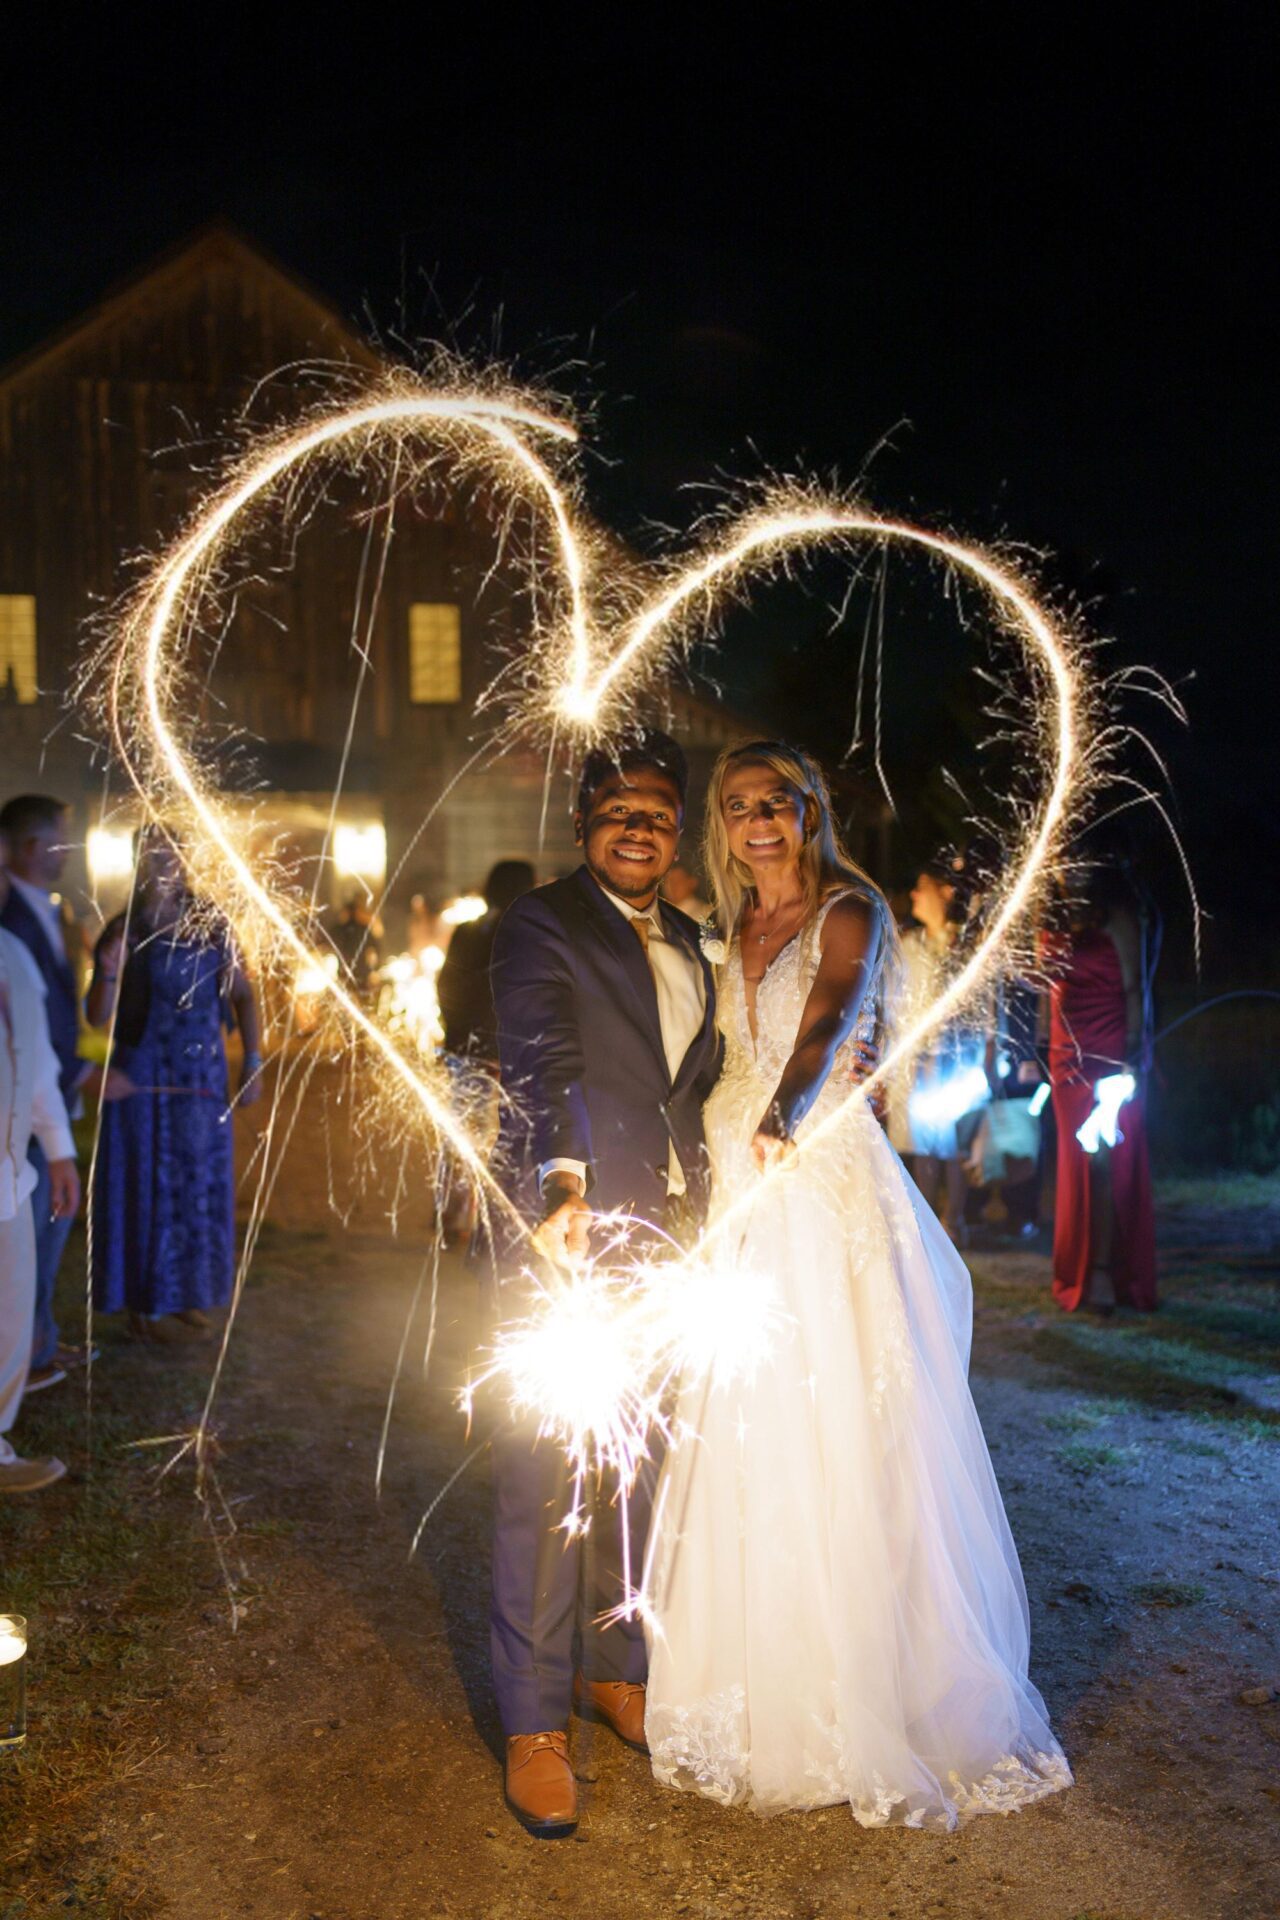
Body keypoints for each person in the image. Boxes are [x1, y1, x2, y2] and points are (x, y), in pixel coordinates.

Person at [644, 741, 1071, 1827]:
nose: (754, 824)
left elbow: (830, 1016)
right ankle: (760, 1677)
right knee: (750, 1417)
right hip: (734, 1178)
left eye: (772, 805)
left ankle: (882, 1691)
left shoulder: (849, 911)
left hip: (815, 1169)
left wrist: (785, 1111)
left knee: (842, 1411)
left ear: (807, 809)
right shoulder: (722, 929)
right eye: (735, 808)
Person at [486, 731, 722, 1836]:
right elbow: (543, 1060)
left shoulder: (692, 938)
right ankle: (532, 1718)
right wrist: (560, 1182)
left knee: (642, 1464)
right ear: (582, 821)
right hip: (572, 1234)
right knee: (549, 1475)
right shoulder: (540, 921)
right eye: (617, 809)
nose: (638, 827)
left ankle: (613, 1667)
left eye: (658, 813)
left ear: (678, 834)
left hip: (675, 1240)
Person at [85, 831, 263, 1341]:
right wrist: (108, 973)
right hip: (141, 1075)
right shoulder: (126, 928)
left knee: (196, 1181)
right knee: (143, 1182)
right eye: (153, 853)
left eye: (171, 852)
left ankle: (186, 1293)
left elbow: (244, 996)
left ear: (185, 860)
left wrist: (252, 1061)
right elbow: (98, 1018)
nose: (164, 862)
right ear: (138, 861)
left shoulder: (210, 924)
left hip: (199, 1075)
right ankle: (142, 1298)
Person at [0, 794, 102, 1386]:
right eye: (61, 840)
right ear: (34, 847)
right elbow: (29, 1031)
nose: (68, 851)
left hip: (49, 1098)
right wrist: (81, 1073)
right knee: (30, 1235)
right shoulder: (11, 920)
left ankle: (38, 1345)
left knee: (48, 1231)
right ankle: (25, 1357)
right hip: (27, 1110)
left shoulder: (46, 912)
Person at [1041, 869, 1157, 1313]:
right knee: (1075, 1162)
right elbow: (1044, 992)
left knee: (1108, 1158)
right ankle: (1077, 1272)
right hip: (1064, 1055)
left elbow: (1134, 986)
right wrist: (1038, 1045)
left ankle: (1108, 1271)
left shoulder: (1117, 918)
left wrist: (1133, 1050)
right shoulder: (1048, 919)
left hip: (1109, 1050)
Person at [0, 843, 79, 1493]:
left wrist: (57, 1148)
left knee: (11, 1309)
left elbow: (39, 1060)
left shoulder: (12, 954)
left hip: (8, 1174)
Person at [886, 855, 987, 1245]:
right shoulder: (910, 945)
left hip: (953, 1061)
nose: (913, 893)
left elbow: (976, 1006)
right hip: (913, 1059)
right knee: (921, 1143)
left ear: (945, 892)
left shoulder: (964, 948)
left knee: (952, 1141)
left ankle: (953, 1219)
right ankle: (929, 1220)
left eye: (922, 886)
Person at [435, 860, 536, 1245]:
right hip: (508, 1055)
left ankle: (454, 1218)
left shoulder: (468, 932)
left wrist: (457, 1038)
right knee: (508, 1138)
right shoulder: (530, 937)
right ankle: (498, 1223)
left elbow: (446, 987)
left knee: (463, 1134)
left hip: (468, 1051)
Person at [662, 861, 712, 926]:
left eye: (678, 881)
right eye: (667, 882)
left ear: (692, 882)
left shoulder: (706, 914)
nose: (672, 886)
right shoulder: (661, 915)